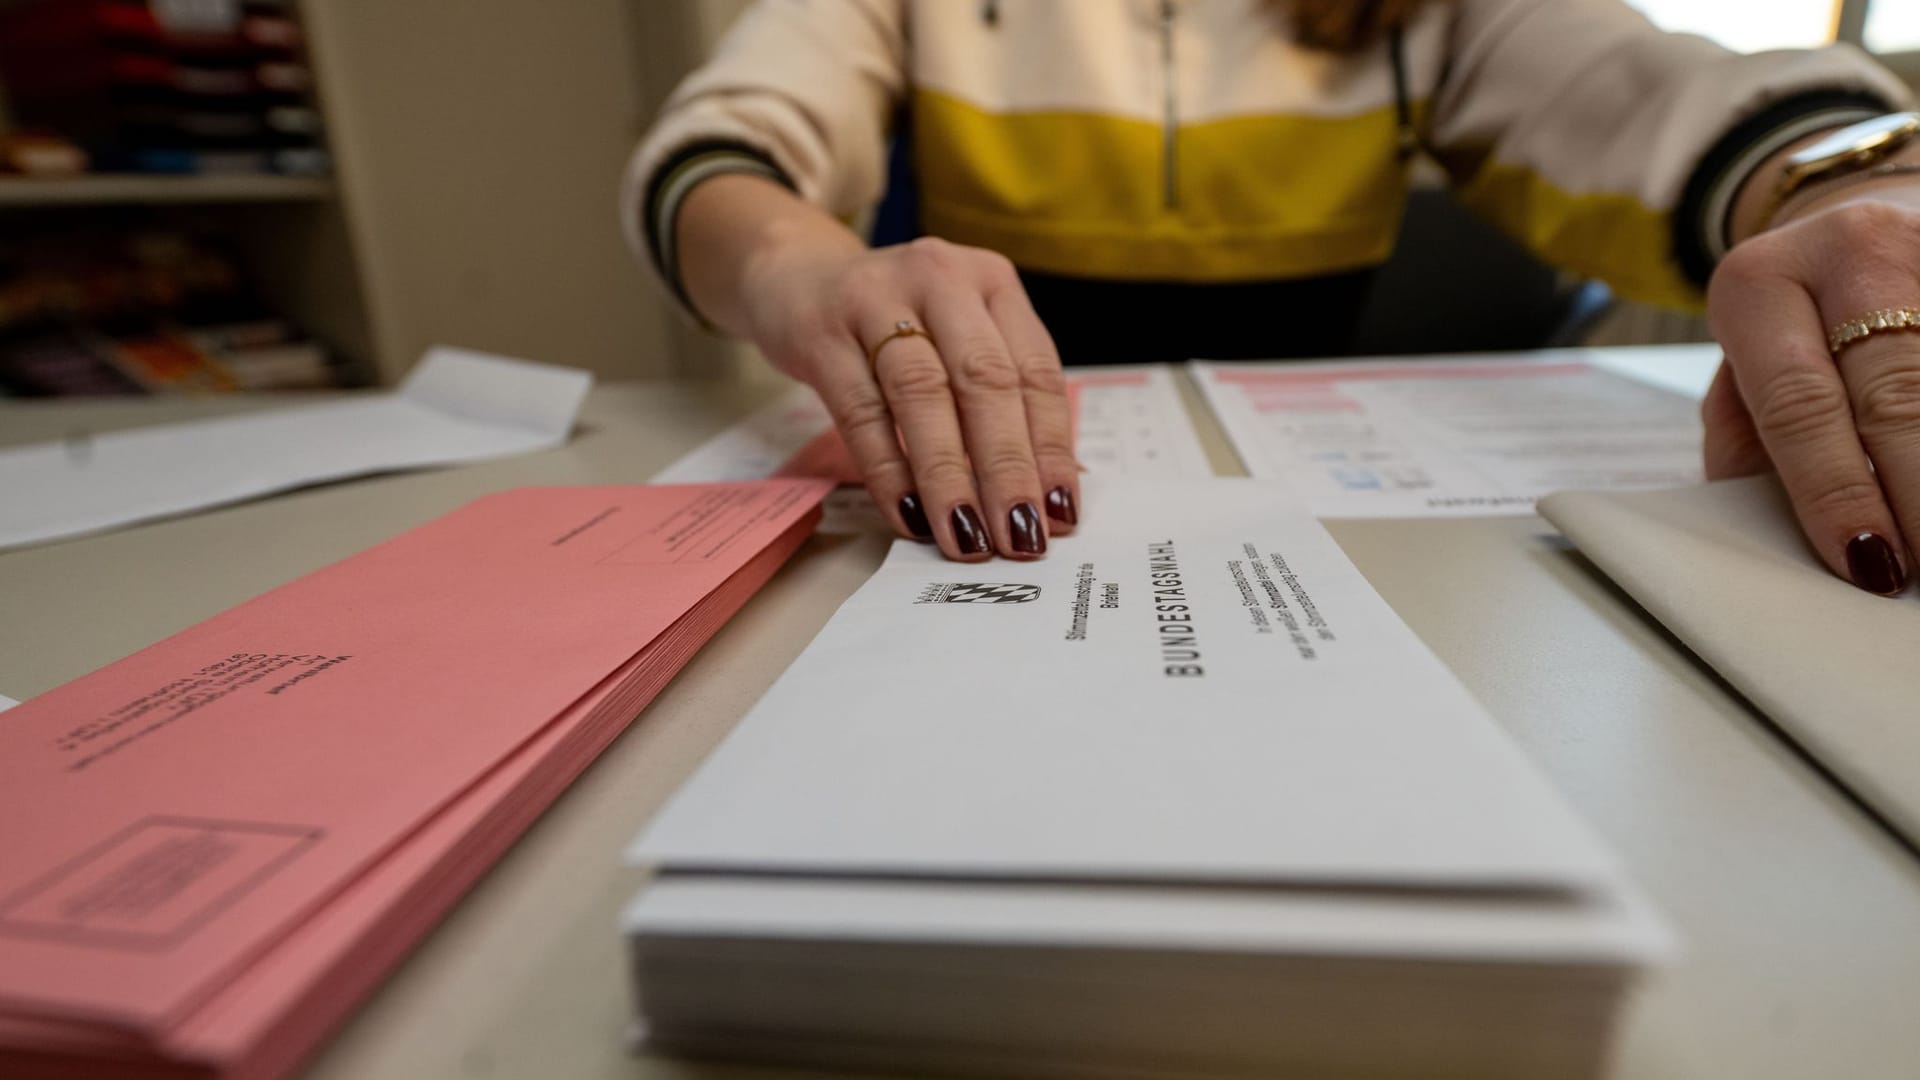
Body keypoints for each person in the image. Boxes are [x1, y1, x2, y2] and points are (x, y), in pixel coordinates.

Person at [626, 0, 1920, 595]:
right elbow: (718, 151)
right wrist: (806, 269)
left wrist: (1871, 198)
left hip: (1349, 560)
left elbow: (1666, 98)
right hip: (996, 540)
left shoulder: (1422, 15)